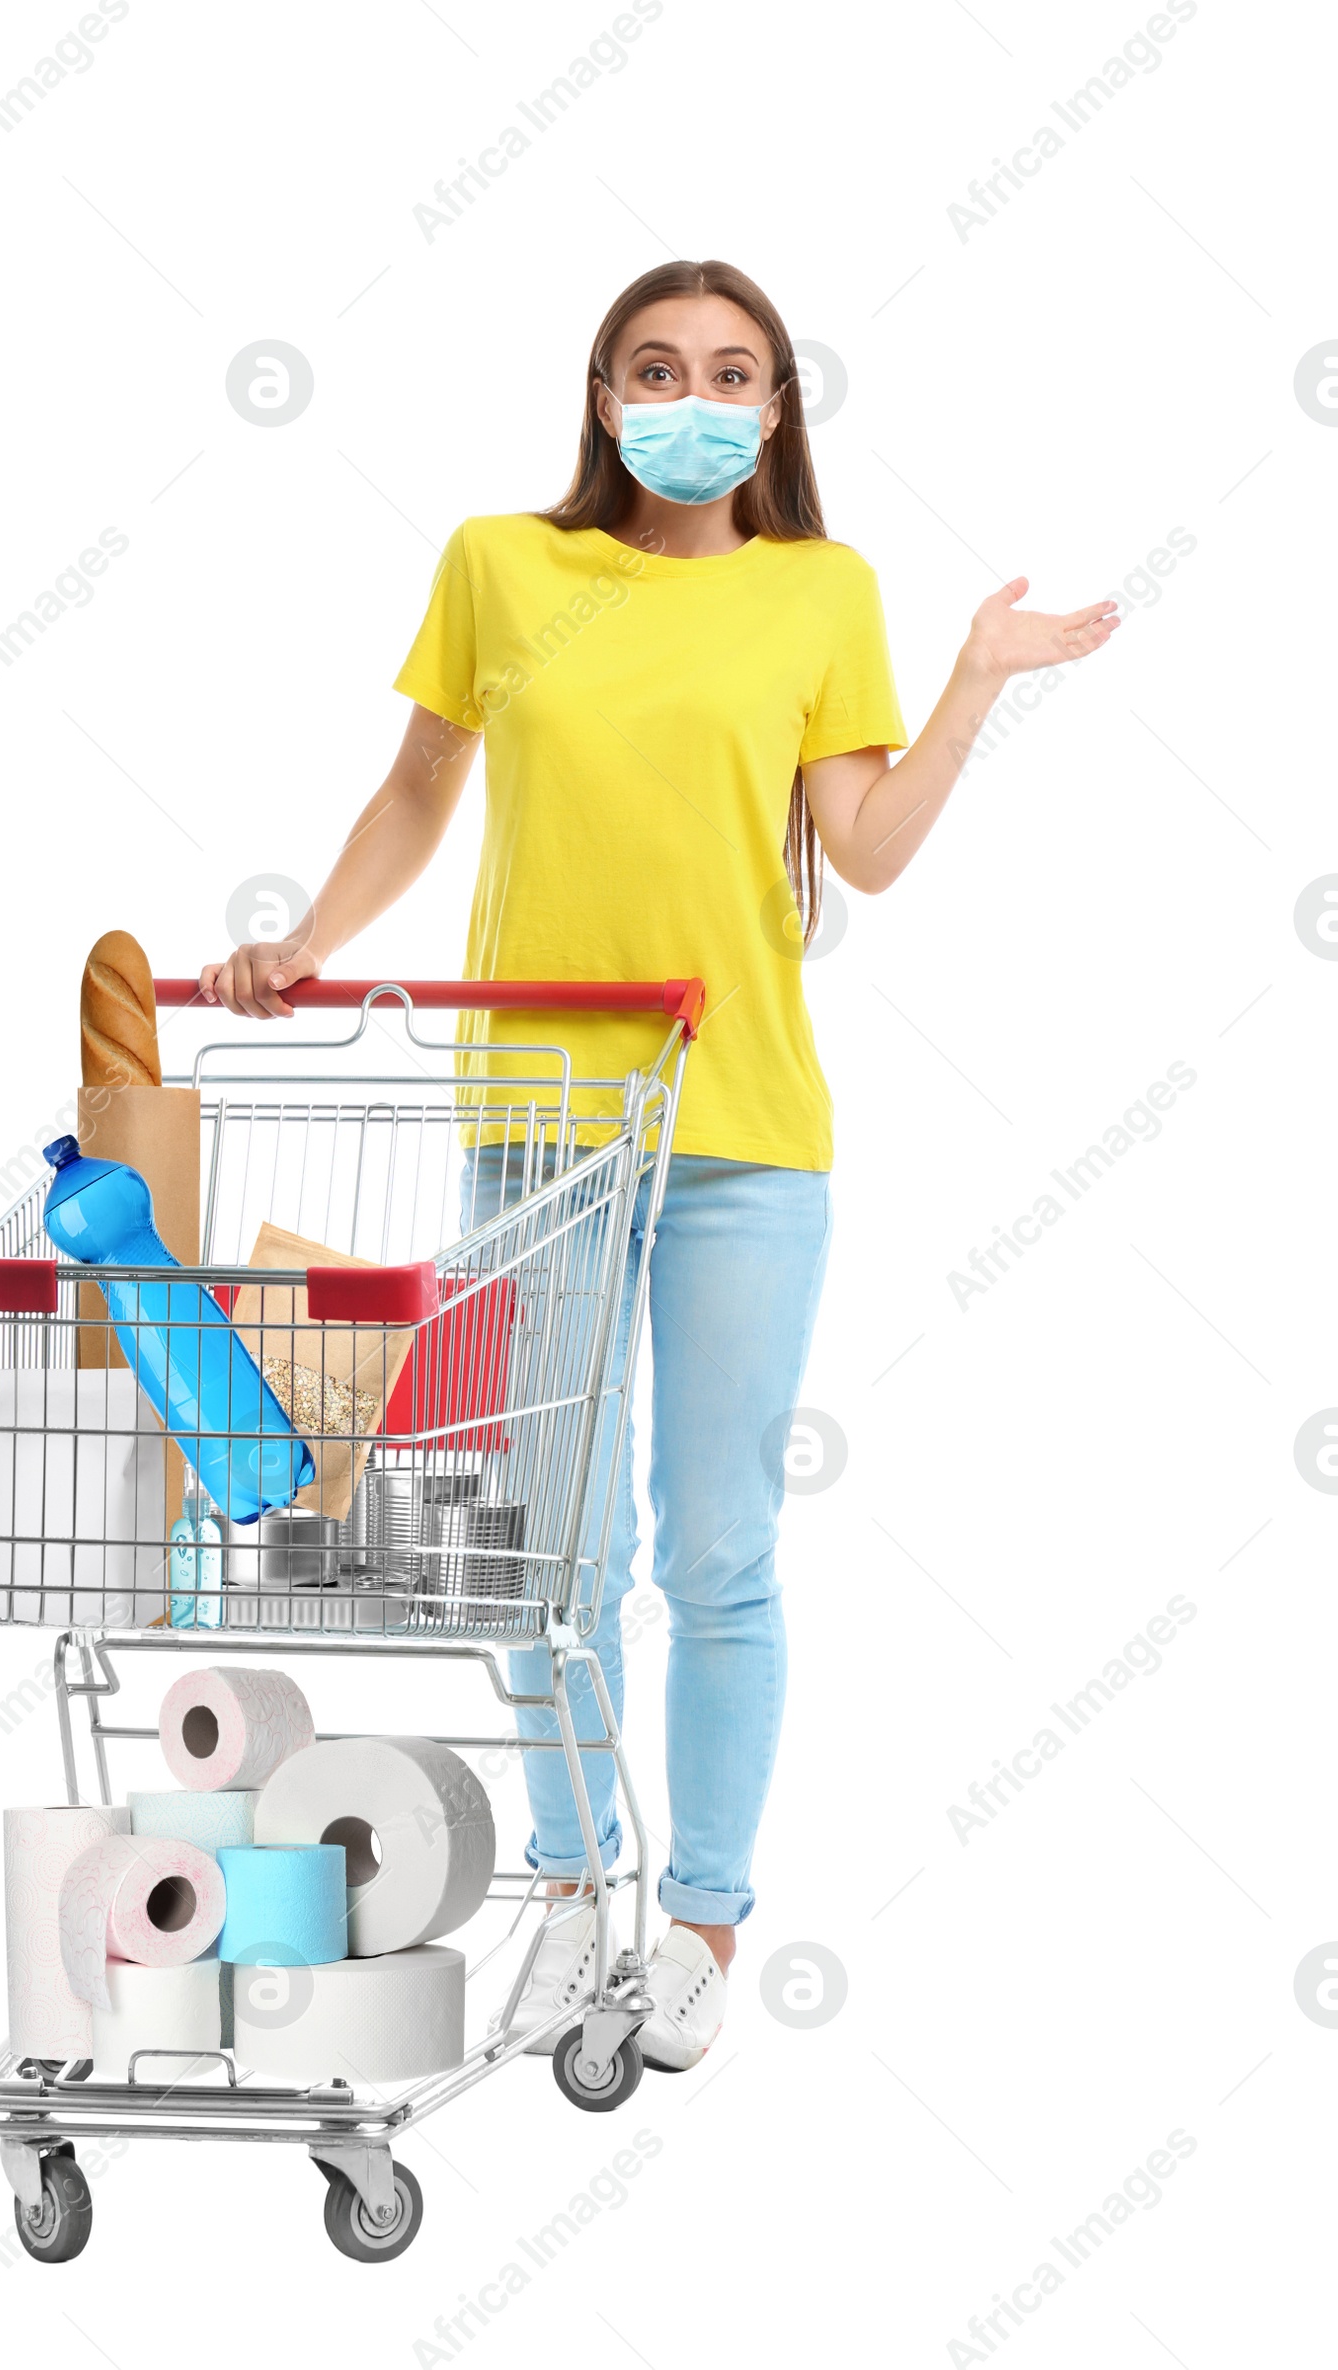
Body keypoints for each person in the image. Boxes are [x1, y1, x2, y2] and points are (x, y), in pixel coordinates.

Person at [201, 258, 1117, 2070]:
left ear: (777, 413)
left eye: (729, 373)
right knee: (547, 1547)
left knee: (718, 1550)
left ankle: (697, 1921)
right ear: (602, 388)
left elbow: (863, 851)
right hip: (536, 1131)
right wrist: (306, 939)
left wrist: (973, 682)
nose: (689, 396)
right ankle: (571, 1885)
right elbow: (416, 792)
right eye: (654, 365)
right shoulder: (502, 565)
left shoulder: (820, 592)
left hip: (742, 1140)